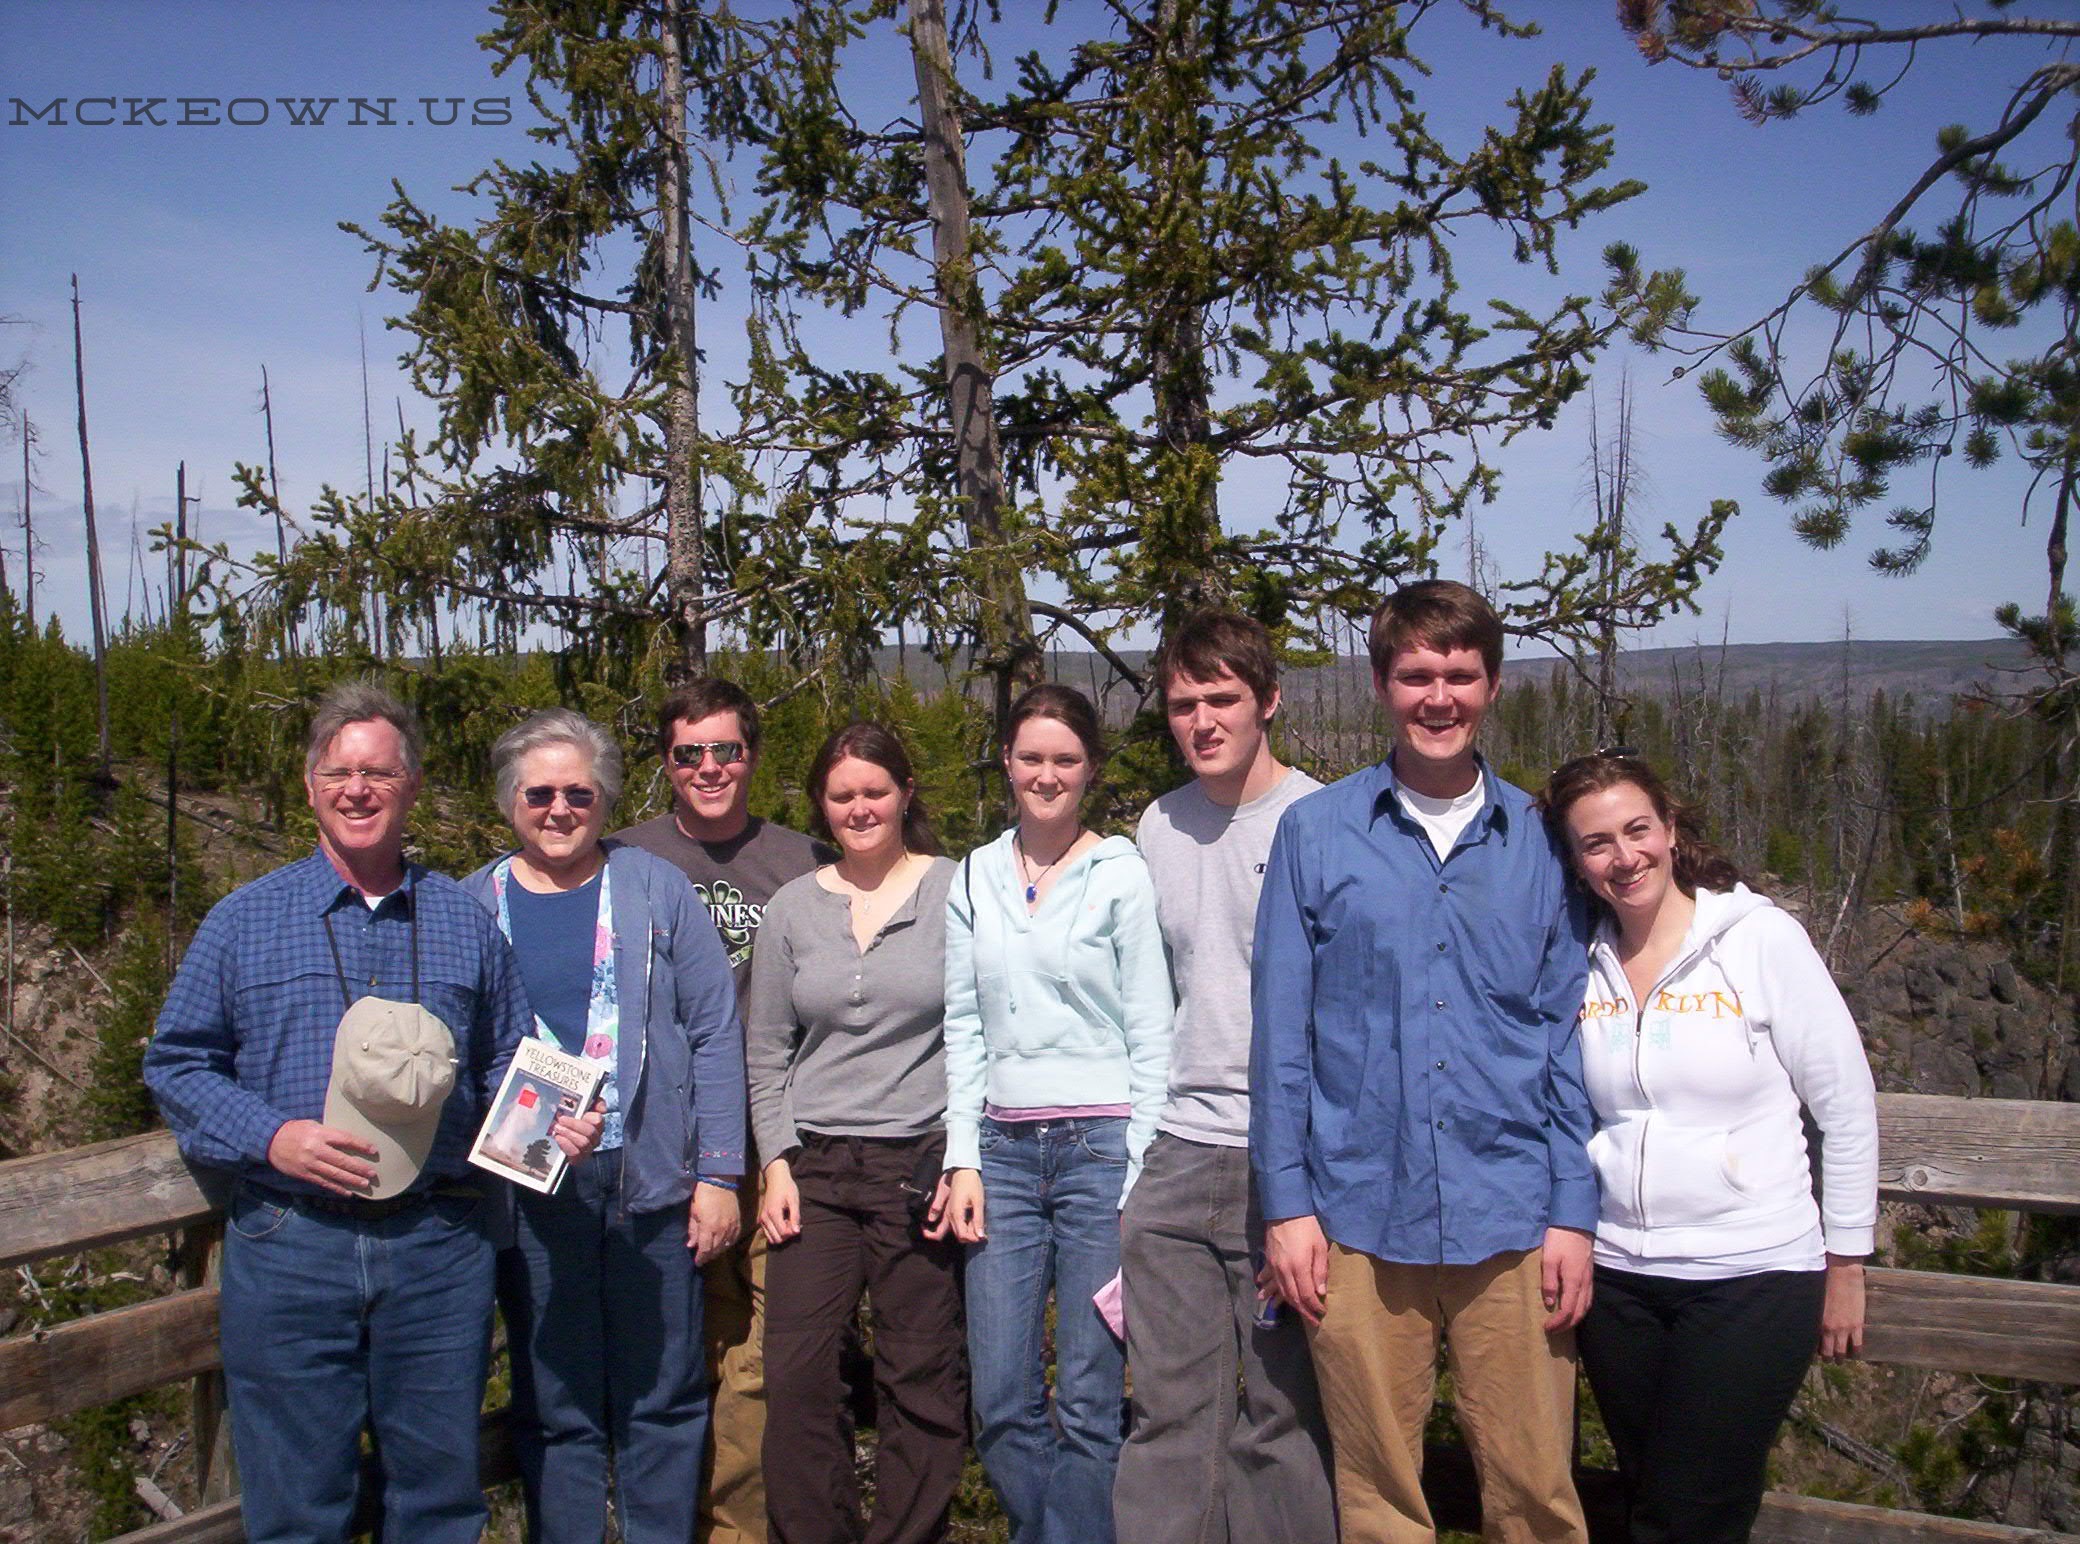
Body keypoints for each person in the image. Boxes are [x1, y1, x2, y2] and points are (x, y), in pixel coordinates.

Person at [143, 679, 598, 1542]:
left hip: (438, 1246)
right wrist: (271, 1136)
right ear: (312, 785)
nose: (359, 789)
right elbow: (178, 1063)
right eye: (341, 772)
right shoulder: (245, 921)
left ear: (412, 786)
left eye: (380, 773)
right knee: (295, 1511)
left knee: (436, 1504)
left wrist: (557, 1124)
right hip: (290, 1242)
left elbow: (509, 1059)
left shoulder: (465, 921)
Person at [1250, 579, 1598, 1544]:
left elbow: (1565, 1039)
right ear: (1380, 684)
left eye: (1459, 675)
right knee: (1377, 1499)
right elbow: (1282, 1037)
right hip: (1358, 1212)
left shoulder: (1539, 840)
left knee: (1535, 1492)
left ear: (1492, 685)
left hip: (1515, 1214)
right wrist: (1287, 1206)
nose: (1437, 697)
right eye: (1415, 676)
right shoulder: (1316, 835)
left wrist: (1573, 1210)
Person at [1540, 750, 1878, 1544]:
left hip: (1750, 1274)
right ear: (1576, 860)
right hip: (1621, 1276)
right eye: (1597, 844)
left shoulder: (1758, 939)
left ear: (1670, 827)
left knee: (1688, 1512)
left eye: (1637, 831)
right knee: (1650, 1493)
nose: (1624, 858)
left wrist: (1848, 1261)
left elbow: (1846, 1106)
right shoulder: (1580, 961)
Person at [462, 708, 747, 1544]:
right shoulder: (476, 901)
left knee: (662, 1397)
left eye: (578, 792)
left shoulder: (653, 886)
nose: (559, 808)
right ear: (512, 800)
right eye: (539, 792)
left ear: (605, 797)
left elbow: (713, 1029)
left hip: (648, 1180)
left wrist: (721, 1174)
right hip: (530, 1188)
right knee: (557, 1403)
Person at [1113, 612, 1337, 1544]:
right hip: (1173, 1149)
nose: (1202, 721)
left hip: (1284, 1161)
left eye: (1222, 699)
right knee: (1169, 1412)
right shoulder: (1157, 826)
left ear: (1268, 702)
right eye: (1182, 704)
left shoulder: (1322, 821)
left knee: (1282, 1415)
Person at [938, 684, 1172, 1544]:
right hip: (1000, 1150)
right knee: (999, 1398)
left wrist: (1139, 1175)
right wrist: (962, 1153)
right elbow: (964, 1026)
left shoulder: (1120, 875)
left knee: (1087, 1398)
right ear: (1007, 761)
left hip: (1100, 1150)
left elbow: (1153, 1031)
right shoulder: (974, 875)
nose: (1046, 775)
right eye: (1031, 757)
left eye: (1065, 760)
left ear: (1091, 771)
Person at [617, 678, 829, 1544]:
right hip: (659, 1152)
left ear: (752, 754)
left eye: (727, 750)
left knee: (759, 1360)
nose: (710, 768)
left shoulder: (804, 860)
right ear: (666, 763)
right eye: (688, 753)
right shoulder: (620, 856)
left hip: (773, 1146)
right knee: (673, 1356)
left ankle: (736, 1531)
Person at [743, 722, 965, 1544]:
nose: (861, 808)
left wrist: (961, 1157)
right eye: (843, 796)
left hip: (921, 1164)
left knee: (923, 1377)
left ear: (906, 793)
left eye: (876, 791)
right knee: (798, 1378)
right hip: (817, 1168)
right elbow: (765, 1051)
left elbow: (977, 1038)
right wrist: (777, 1162)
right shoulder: (794, 908)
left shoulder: (957, 890)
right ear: (821, 806)